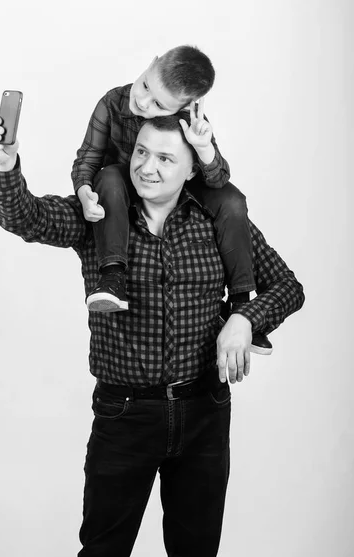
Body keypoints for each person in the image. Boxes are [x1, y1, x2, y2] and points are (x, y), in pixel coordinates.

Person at [0, 111, 305, 557]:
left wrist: (245, 319)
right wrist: (6, 167)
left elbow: (288, 287)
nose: (147, 168)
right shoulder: (99, 213)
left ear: (193, 168)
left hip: (204, 415)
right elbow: (26, 217)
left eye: (165, 158)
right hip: (124, 416)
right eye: (141, 152)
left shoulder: (220, 220)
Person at [72, 44, 273, 354]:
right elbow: (88, 158)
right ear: (150, 64)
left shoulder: (189, 121)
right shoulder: (113, 102)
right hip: (124, 186)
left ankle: (239, 305)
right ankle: (113, 277)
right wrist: (84, 191)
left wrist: (203, 146)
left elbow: (217, 180)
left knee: (232, 199)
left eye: (157, 105)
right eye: (145, 85)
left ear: (186, 106)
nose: (142, 101)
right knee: (109, 175)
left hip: (177, 190)